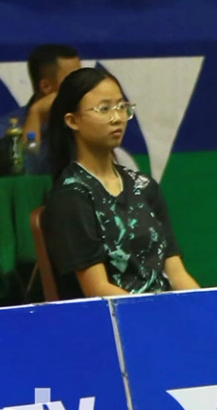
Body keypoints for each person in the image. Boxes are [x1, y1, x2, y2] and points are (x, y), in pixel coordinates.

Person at [39, 66, 200, 299]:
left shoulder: (144, 186)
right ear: (73, 121)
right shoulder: (71, 196)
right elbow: (97, 290)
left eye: (122, 107)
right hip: (117, 316)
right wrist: (155, 315)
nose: (117, 118)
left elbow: (176, 272)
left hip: (164, 310)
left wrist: (203, 308)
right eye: (104, 109)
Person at [0, 43, 82, 175]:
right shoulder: (4, 128)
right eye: (73, 80)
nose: (81, 86)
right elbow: (21, 174)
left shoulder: (84, 121)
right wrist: (36, 115)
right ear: (46, 87)